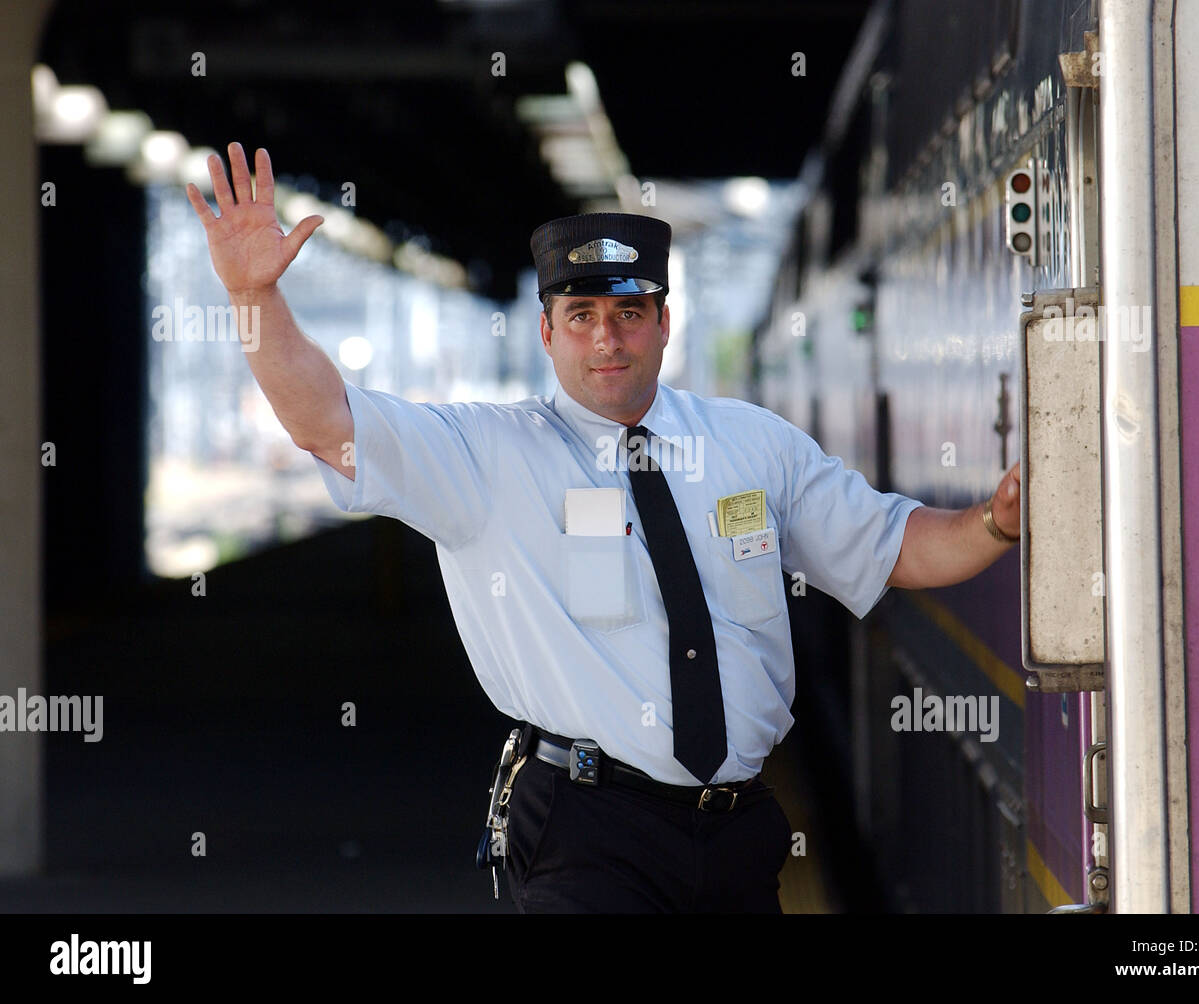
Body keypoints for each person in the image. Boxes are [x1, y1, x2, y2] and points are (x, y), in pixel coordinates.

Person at [186, 142, 1022, 914]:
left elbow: (895, 547)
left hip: (736, 834)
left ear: (664, 322)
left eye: (628, 313)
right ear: (547, 332)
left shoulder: (752, 445)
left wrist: (995, 520)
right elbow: (327, 422)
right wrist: (254, 297)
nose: (606, 339)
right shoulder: (486, 456)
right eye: (580, 315)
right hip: (589, 836)